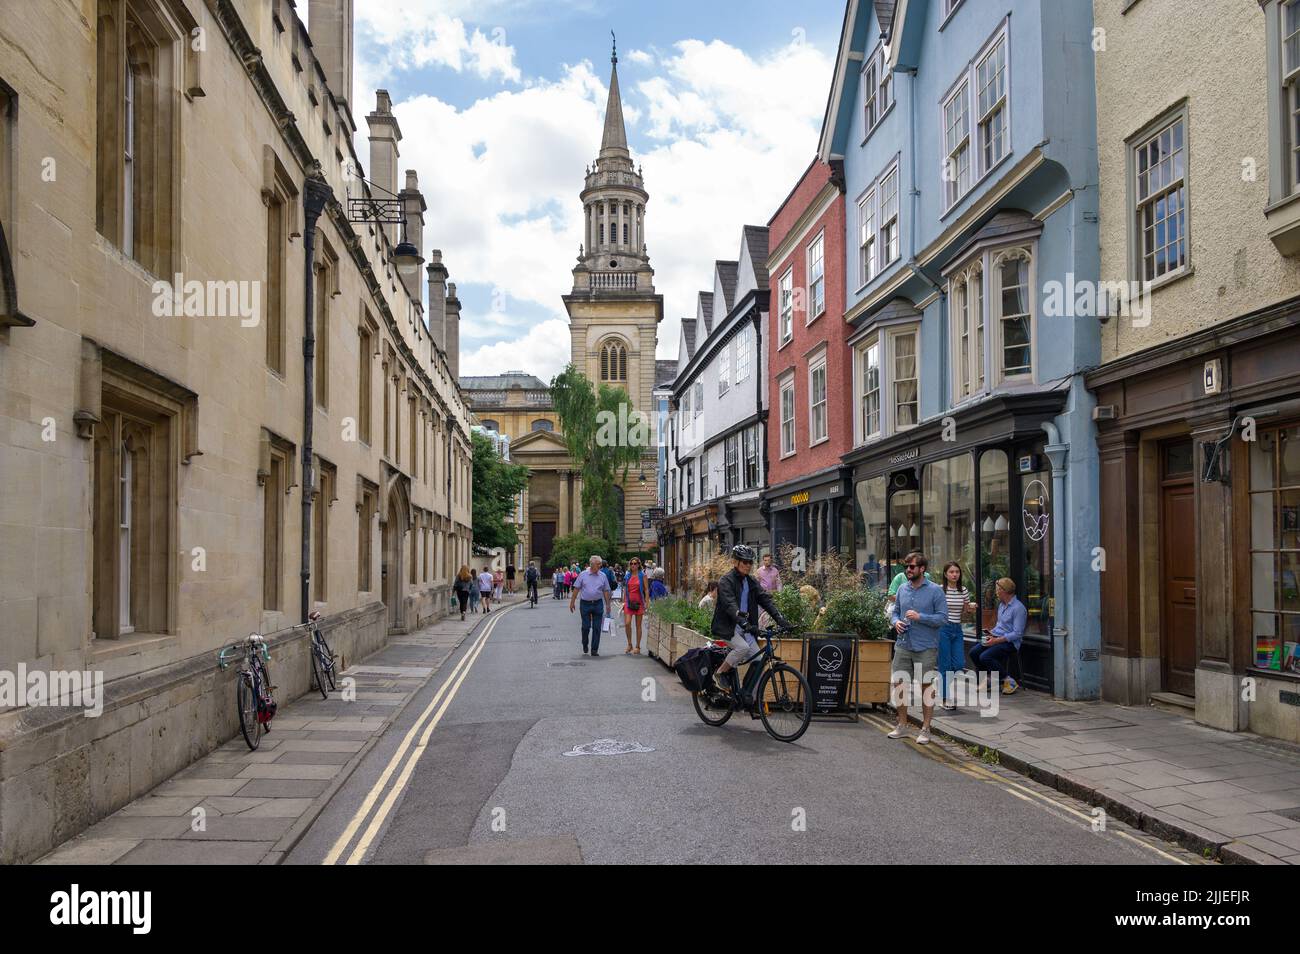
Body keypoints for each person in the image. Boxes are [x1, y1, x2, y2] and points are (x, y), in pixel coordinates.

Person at [710, 544, 791, 701]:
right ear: (735, 562)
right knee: (742, 647)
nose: (748, 565)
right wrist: (742, 620)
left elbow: (765, 600)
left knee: (758, 661)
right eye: (744, 562)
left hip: (745, 628)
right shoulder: (726, 581)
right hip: (728, 627)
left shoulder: (751, 581)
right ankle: (719, 673)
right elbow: (729, 604)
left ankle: (745, 694)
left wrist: (780, 619)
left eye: (750, 562)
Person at [888, 551, 946, 744]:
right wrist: (895, 622)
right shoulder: (902, 589)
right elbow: (894, 612)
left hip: (926, 647)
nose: (907, 570)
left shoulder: (935, 591)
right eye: (906, 567)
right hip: (903, 644)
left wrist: (921, 617)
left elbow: (942, 618)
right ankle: (902, 725)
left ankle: (926, 728)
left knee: (926, 687)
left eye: (911, 567)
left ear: (922, 569)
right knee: (899, 686)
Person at [970, 577, 1027, 695]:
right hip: (997, 638)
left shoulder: (1018, 608)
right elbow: (1000, 626)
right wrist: (991, 633)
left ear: (1004, 591)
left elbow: (1017, 633)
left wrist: (996, 641)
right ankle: (989, 680)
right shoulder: (1001, 605)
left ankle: (1008, 680)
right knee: (974, 652)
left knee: (985, 657)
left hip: (1010, 643)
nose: (996, 592)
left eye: (997, 589)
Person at [938, 561, 977, 710]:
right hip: (943, 629)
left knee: (959, 664)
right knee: (945, 665)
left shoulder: (964, 590)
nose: (955, 574)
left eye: (957, 572)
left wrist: (971, 608)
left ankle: (940, 685)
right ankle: (944, 698)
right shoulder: (940, 590)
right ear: (945, 574)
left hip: (958, 629)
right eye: (951, 572)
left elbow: (966, 612)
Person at [568, 555, 612, 656]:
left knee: (597, 628)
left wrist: (608, 605)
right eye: (598, 564)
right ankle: (585, 643)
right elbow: (576, 589)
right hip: (585, 604)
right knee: (586, 627)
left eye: (600, 564)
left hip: (598, 604)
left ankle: (594, 649)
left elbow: (605, 590)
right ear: (592, 564)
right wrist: (572, 602)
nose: (600, 566)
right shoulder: (583, 575)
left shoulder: (603, 576)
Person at [623, 557, 648, 654]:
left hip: (639, 602)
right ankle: (629, 644)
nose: (633, 565)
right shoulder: (628, 575)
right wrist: (623, 601)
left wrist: (647, 602)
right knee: (627, 623)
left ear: (638, 565)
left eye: (635, 563)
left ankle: (637, 646)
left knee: (638, 625)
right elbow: (625, 588)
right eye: (631, 564)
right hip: (629, 602)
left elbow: (646, 589)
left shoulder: (642, 575)